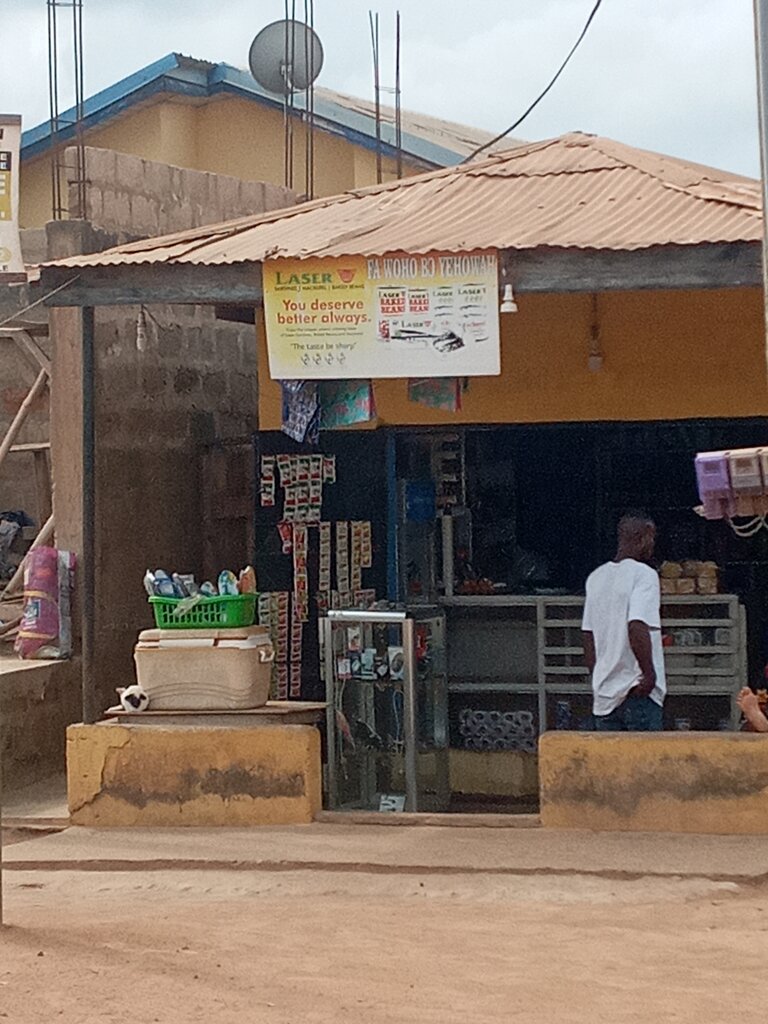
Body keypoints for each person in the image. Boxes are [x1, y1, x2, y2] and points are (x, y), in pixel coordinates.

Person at [582, 513, 666, 731]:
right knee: (644, 754)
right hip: (637, 692)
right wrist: (649, 675)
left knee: (609, 754)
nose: (653, 545)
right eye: (652, 538)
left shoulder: (596, 577)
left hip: (605, 699)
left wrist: (599, 677)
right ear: (643, 538)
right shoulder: (644, 575)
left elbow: (588, 636)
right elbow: (636, 626)